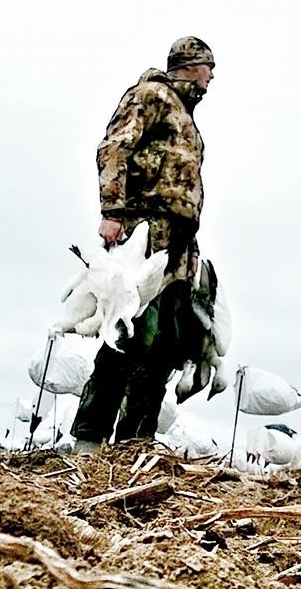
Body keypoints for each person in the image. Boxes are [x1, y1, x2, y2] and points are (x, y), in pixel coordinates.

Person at [71, 36, 216, 452]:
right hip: (144, 236)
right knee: (128, 333)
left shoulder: (186, 117)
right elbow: (115, 147)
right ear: (192, 65)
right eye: (209, 69)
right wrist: (113, 212)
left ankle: (136, 441)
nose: (211, 79)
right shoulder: (151, 95)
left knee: (165, 345)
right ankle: (91, 440)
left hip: (178, 243)